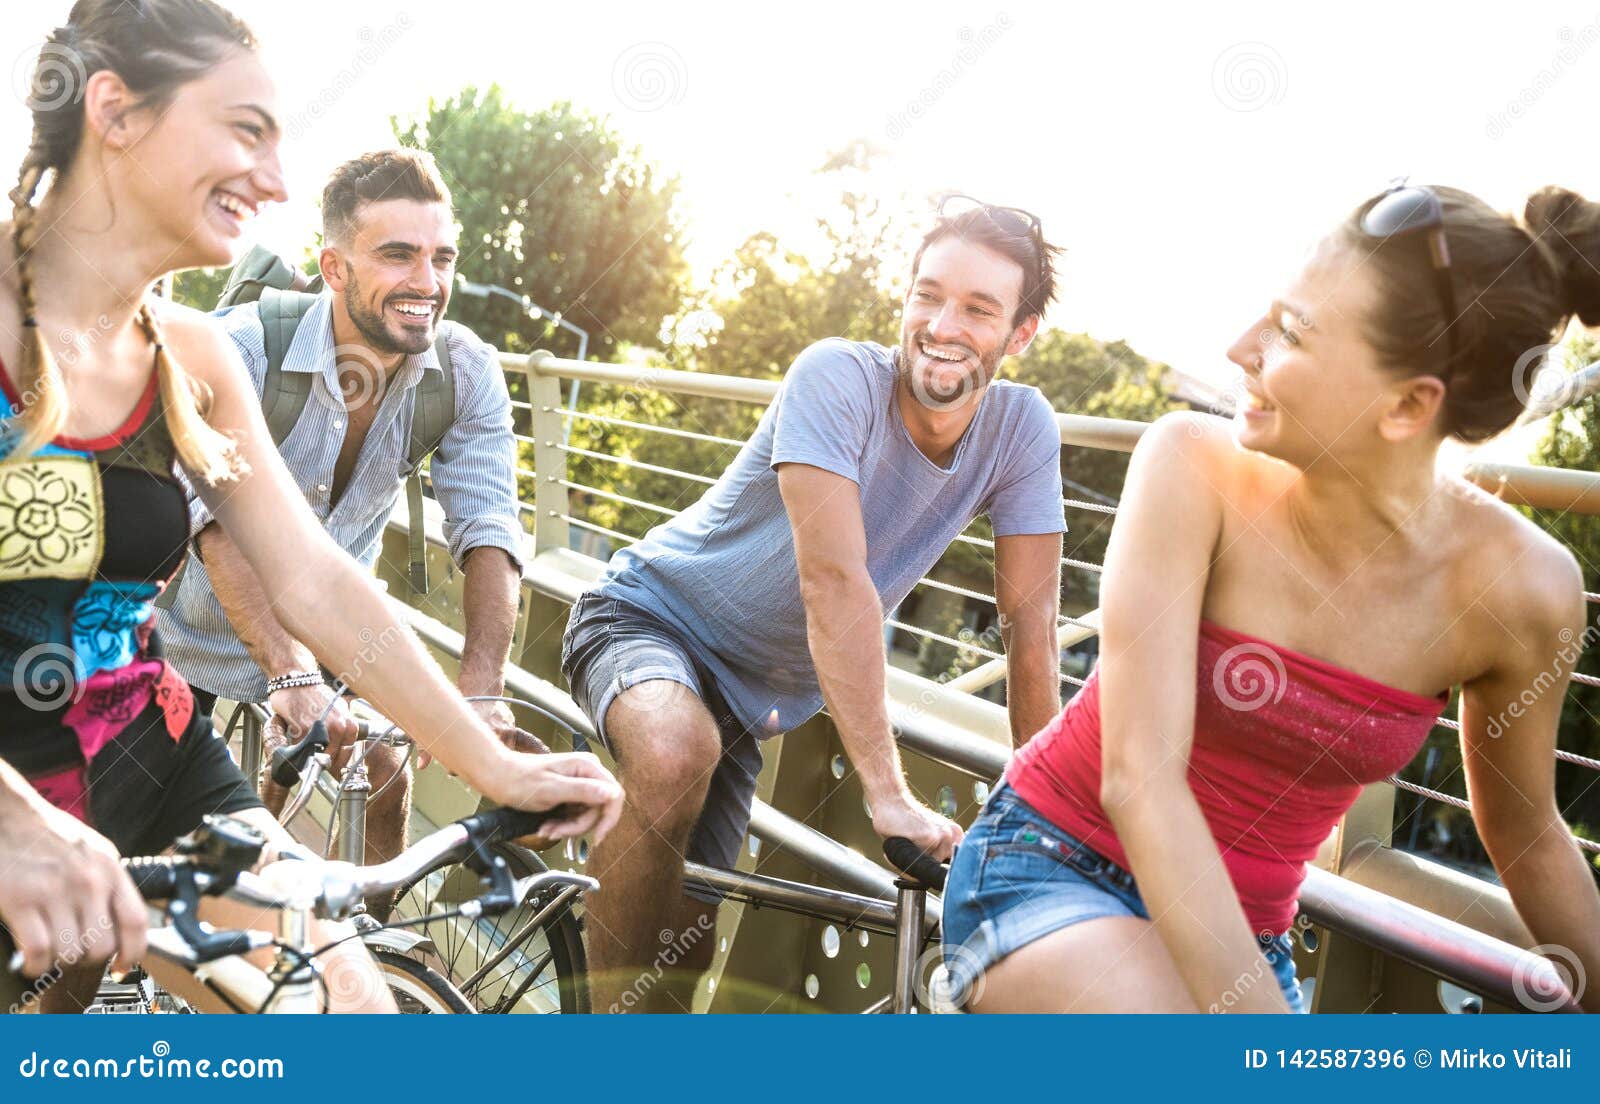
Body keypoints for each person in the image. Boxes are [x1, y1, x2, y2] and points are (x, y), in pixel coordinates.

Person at [0, 0, 620, 1012]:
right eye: (244, 130)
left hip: (141, 754)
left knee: (345, 1000)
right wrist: (14, 823)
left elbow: (314, 576)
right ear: (112, 111)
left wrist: (490, 763)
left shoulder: (191, 356)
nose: (279, 182)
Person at [942, 182, 1600, 1014]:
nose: (1239, 346)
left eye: (1290, 332)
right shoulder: (1190, 464)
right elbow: (1140, 778)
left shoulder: (1527, 591)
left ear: (1407, 406)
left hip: (1242, 940)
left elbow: (1530, 835)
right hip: (1046, 863)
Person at [563, 195, 1069, 1011]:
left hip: (748, 705)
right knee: (670, 753)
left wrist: (1052, 818)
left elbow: (1032, 627)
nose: (942, 324)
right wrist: (887, 791)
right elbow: (833, 583)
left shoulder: (1022, 429)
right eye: (928, 294)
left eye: (978, 309)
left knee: (672, 970)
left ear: (1020, 335)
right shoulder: (836, 376)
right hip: (646, 618)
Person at [159, 148, 531, 894]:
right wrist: (287, 672)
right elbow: (216, 518)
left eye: (441, 257)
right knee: (167, 852)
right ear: (333, 269)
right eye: (398, 255)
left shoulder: (464, 372)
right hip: (181, 629)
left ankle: (375, 960)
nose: (427, 283)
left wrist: (482, 688)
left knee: (386, 776)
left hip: (330, 627)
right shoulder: (241, 347)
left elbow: (489, 526)